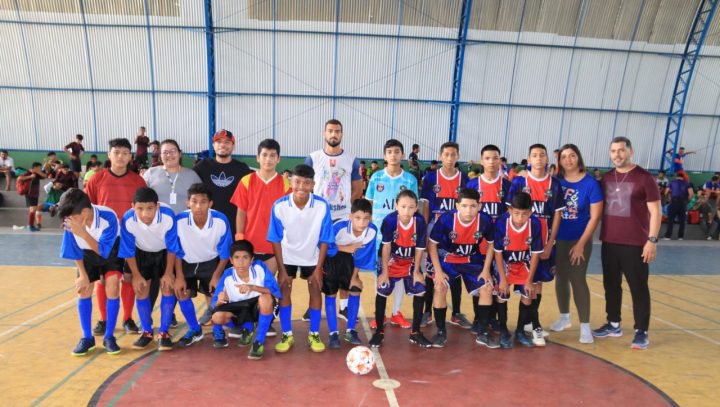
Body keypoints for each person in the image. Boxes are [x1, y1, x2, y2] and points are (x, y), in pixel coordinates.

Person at [594, 136, 661, 350]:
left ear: (630, 152)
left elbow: (656, 211)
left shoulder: (644, 178)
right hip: (609, 241)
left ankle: (641, 331)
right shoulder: (606, 178)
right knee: (611, 285)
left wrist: (651, 240)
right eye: (613, 151)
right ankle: (613, 323)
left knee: (638, 288)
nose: (617, 155)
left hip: (635, 243)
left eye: (621, 150)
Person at [267, 164, 334, 353]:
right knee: (285, 291)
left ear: (313, 184)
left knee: (315, 291)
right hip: (287, 256)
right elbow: (275, 239)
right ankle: (287, 334)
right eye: (297, 182)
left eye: (306, 183)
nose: (301, 187)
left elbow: (325, 239)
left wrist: (319, 269)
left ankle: (314, 333)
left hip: (312, 257)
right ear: (290, 181)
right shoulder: (280, 206)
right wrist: (281, 270)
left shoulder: (321, 206)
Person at [85, 138, 147, 336]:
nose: (120, 156)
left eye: (125, 153)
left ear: (130, 156)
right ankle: (104, 319)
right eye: (116, 152)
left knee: (128, 277)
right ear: (109, 154)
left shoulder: (138, 181)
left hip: (129, 238)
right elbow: (89, 209)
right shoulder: (96, 179)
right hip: (104, 239)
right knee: (102, 280)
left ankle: (128, 318)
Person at [230, 138, 291, 338]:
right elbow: (241, 212)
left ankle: (266, 320)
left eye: (272, 155)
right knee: (245, 284)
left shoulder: (285, 184)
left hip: (272, 247)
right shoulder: (247, 181)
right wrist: (240, 240)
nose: (268, 159)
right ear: (257, 157)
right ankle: (244, 322)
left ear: (278, 159)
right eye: (264, 155)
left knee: (266, 285)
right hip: (249, 245)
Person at [305, 120, 364, 320]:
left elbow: (357, 188)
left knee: (344, 261)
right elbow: (305, 186)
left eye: (337, 131)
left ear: (342, 134)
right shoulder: (313, 158)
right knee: (318, 262)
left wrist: (347, 207)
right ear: (324, 133)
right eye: (330, 131)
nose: (334, 134)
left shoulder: (351, 159)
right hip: (319, 217)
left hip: (342, 215)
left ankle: (344, 306)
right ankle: (311, 305)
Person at [507, 144, 564, 346]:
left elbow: (557, 215)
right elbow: (510, 212)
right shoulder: (520, 181)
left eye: (542, 155)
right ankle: (527, 325)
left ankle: (532, 323)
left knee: (536, 283)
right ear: (528, 159)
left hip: (543, 244)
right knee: (517, 283)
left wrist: (549, 243)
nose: (538, 158)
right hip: (520, 244)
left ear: (547, 159)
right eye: (534, 155)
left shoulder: (554, 184)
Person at [427, 188, 496, 348]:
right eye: (464, 206)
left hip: (472, 258)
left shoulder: (484, 221)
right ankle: (441, 331)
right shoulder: (446, 219)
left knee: (486, 287)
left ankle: (483, 332)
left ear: (479, 206)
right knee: (440, 286)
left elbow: (492, 244)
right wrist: (438, 271)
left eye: (473, 206)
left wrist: (486, 269)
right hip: (448, 258)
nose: (468, 210)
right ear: (457, 206)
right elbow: (432, 245)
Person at [58, 188, 123, 356]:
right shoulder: (70, 221)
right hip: (85, 253)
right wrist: (83, 275)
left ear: (86, 211)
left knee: (113, 285)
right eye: (68, 217)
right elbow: (73, 250)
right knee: (83, 289)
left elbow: (103, 251)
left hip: (109, 251)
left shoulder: (108, 217)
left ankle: (109, 336)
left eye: (73, 216)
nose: (70, 220)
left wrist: (83, 233)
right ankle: (87, 337)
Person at [551, 144, 603, 344]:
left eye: (572, 155)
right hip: (558, 239)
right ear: (560, 161)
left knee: (578, 278)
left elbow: (595, 216)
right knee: (561, 278)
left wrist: (581, 243)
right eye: (564, 156)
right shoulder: (556, 182)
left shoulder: (590, 184)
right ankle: (564, 318)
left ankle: (585, 327)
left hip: (579, 239)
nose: (568, 160)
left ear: (578, 158)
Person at [366, 139, 419, 330]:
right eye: (389, 152)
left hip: (403, 238)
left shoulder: (410, 180)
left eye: (397, 152)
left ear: (403, 155)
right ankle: (379, 314)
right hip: (380, 237)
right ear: (384, 155)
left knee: (400, 274)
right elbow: (369, 205)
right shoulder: (376, 178)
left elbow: (415, 207)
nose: (393, 155)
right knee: (379, 275)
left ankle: (396, 312)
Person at [118, 188, 179, 351]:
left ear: (157, 206)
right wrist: (136, 275)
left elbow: (173, 246)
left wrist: (167, 272)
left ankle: (164, 332)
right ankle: (146, 331)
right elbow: (128, 249)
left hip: (165, 252)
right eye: (140, 209)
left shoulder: (167, 215)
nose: (145, 214)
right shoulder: (128, 219)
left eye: (150, 209)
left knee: (167, 288)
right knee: (141, 290)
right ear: (133, 206)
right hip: (141, 253)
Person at [369, 190, 430, 348]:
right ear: (396, 206)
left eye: (411, 207)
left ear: (416, 208)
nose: (406, 211)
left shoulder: (420, 221)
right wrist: (384, 272)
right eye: (403, 206)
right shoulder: (390, 221)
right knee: (382, 288)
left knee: (421, 288)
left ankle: (415, 332)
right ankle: (379, 332)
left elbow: (420, 248)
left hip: (409, 262)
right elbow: (386, 246)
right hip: (391, 261)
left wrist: (417, 271)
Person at [174, 183, 232, 347]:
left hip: (211, 262)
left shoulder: (220, 220)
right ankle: (195, 329)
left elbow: (225, 252)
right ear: (188, 203)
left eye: (203, 202)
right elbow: (176, 250)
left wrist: (216, 275)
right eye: (194, 201)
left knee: (217, 294)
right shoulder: (180, 221)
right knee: (181, 292)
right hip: (187, 262)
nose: (198, 206)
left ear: (210, 203)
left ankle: (218, 330)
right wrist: (179, 276)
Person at [420, 142, 471, 330]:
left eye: (453, 155)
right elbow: (426, 206)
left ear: (458, 157)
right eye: (446, 155)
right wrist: (425, 232)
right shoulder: (431, 177)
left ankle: (456, 313)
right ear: (441, 156)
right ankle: (427, 311)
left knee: (455, 269)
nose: (450, 158)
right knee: (430, 270)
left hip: (458, 231)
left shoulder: (464, 179)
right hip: (436, 228)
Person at [466, 144, 512, 347]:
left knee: (499, 280)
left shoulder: (508, 186)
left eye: (495, 158)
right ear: (481, 160)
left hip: (501, 243)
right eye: (487, 158)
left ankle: (496, 320)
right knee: (481, 282)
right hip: (478, 242)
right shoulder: (473, 184)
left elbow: (510, 215)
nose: (491, 162)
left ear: (500, 160)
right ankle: (479, 319)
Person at [211, 240, 281, 359]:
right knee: (217, 317)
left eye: (245, 257)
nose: (241, 262)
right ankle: (247, 328)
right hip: (240, 309)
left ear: (252, 259)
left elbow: (275, 292)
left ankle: (259, 341)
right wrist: (220, 300)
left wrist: (252, 287)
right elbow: (214, 304)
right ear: (231, 260)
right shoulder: (228, 275)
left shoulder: (260, 268)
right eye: (237, 258)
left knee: (266, 298)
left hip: (257, 306)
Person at [323, 199, 378, 348]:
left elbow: (362, 256)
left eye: (366, 218)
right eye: (358, 218)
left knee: (355, 288)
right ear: (350, 216)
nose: (362, 222)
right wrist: (345, 248)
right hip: (330, 259)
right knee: (331, 294)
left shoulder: (372, 231)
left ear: (371, 218)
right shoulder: (338, 226)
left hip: (349, 260)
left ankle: (350, 330)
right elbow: (324, 247)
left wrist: (354, 277)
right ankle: (333, 333)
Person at [493, 192, 543, 347]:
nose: (520, 218)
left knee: (528, 293)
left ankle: (520, 331)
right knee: (502, 294)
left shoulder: (534, 224)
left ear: (530, 212)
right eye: (517, 214)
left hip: (523, 263)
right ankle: (503, 331)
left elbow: (535, 255)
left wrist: (529, 281)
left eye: (524, 214)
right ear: (510, 211)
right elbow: (498, 254)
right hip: (505, 263)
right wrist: (502, 279)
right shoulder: (502, 223)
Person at [193, 129, 252, 239]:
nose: (223, 145)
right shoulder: (202, 166)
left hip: (234, 225)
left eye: (227, 142)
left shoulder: (242, 169)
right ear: (213, 145)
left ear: (233, 146)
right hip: (208, 224)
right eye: (219, 142)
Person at [143, 139, 201, 214]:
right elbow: (141, 199)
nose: (169, 155)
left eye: (173, 151)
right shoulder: (151, 173)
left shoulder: (192, 175)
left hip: (183, 222)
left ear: (180, 154)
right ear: (160, 156)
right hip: (157, 223)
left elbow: (201, 200)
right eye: (165, 152)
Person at [17, 162, 46, 231]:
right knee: (33, 209)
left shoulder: (37, 174)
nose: (40, 169)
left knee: (32, 209)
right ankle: (30, 225)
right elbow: (19, 178)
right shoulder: (28, 172)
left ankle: (30, 224)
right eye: (39, 167)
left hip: (35, 194)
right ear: (35, 167)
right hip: (30, 193)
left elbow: (45, 176)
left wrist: (37, 172)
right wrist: (30, 176)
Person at [662, 174, 693, 240]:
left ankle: (668, 236)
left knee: (671, 219)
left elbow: (666, 192)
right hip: (683, 203)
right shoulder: (687, 183)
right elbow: (691, 194)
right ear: (683, 177)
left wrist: (668, 198)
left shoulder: (672, 182)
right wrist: (686, 201)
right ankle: (680, 236)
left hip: (674, 202)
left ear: (676, 177)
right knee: (682, 220)